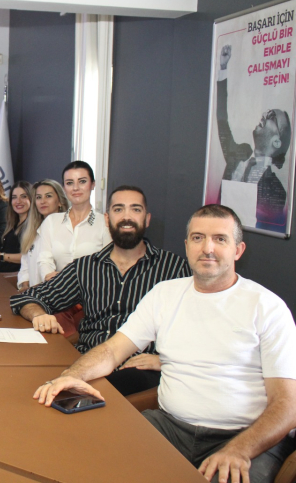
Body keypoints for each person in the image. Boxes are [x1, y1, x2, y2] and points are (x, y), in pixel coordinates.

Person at [35, 205, 296, 483]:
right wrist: (73, 376)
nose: (207, 248)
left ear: (238, 250)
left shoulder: (266, 307)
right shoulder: (165, 294)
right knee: (87, 460)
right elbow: (112, 350)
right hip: (170, 427)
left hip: (245, 436)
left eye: (220, 239)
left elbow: (288, 404)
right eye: (197, 238)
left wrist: (239, 450)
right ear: (187, 246)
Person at [11, 186, 191, 396]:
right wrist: (39, 315)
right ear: (107, 219)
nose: (126, 217)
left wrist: (165, 360)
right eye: (118, 209)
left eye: (135, 209)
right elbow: (28, 298)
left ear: (147, 219)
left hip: (137, 370)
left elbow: (196, 328)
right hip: (86, 361)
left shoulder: (174, 269)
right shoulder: (86, 267)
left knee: (63, 395)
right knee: (22, 384)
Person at [216, 44, 292, 231]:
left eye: (271, 117)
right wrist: (223, 68)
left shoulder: (277, 191)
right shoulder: (237, 154)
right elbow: (222, 119)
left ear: (276, 142)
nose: (264, 115)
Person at [37, 160, 112, 283]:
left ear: (93, 184)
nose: (76, 188)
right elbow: (44, 259)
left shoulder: (104, 223)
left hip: (91, 290)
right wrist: (50, 277)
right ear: (64, 188)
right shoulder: (51, 221)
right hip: (57, 288)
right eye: (70, 183)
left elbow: (108, 265)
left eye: (82, 181)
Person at [17, 179, 68, 292]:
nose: (42, 201)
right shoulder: (31, 232)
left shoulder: (67, 230)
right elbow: (25, 265)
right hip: (33, 294)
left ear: (60, 202)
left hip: (56, 293)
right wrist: (24, 285)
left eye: (48, 196)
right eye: (39, 197)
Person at [0, 181, 36, 273]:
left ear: (32, 199)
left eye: (23, 196)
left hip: (13, 276)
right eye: (14, 197)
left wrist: (1, 256)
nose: (18, 201)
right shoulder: (13, 223)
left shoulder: (34, 226)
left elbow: (30, 257)